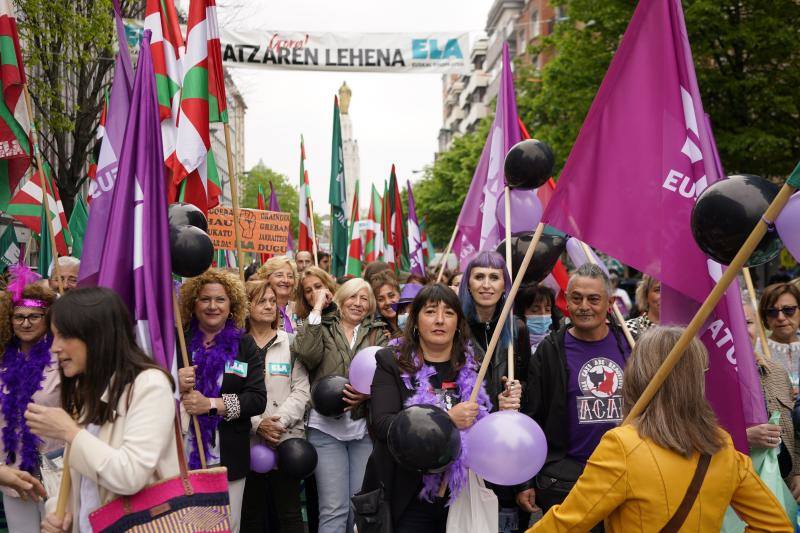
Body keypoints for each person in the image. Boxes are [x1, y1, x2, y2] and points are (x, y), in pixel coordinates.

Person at [527, 326, 793, 532]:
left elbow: (567, 524)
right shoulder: (722, 444)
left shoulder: (622, 445)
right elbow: (776, 526)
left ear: (638, 374)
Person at [23, 287, 179, 533]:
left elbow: (130, 477)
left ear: (96, 335)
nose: (54, 347)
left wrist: (71, 432)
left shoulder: (149, 385)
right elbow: (84, 484)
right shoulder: (87, 389)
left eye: (63, 336)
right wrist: (61, 513)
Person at [361, 283, 495, 531]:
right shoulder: (391, 361)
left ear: (458, 323)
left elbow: (485, 419)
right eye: (431, 311)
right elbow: (382, 424)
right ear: (415, 320)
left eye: (449, 313)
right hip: (406, 493)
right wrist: (445, 420)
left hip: (459, 493)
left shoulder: (474, 363)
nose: (440, 320)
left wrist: (505, 409)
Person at [517, 263, 631, 529]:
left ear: (610, 302)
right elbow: (532, 418)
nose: (584, 306)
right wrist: (525, 482)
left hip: (626, 476)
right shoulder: (549, 351)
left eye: (593, 299)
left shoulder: (630, 344)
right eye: (576, 298)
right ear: (566, 300)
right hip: (569, 482)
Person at [291, 277, 388, 533]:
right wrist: (317, 310)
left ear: (370, 305)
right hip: (325, 430)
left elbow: (388, 377)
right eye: (352, 297)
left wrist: (368, 395)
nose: (357, 303)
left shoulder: (379, 333)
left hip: (362, 430)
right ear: (341, 298)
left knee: (360, 508)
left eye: (364, 298)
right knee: (334, 509)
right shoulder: (322, 325)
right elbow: (306, 353)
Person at [177, 269, 267, 533]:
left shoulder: (244, 345)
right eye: (205, 299)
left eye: (220, 300)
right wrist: (173, 382)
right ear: (193, 304)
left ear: (232, 306)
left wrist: (213, 404)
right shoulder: (177, 341)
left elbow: (256, 399)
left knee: (227, 527)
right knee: (185, 525)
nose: (212, 306)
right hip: (181, 453)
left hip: (229, 456)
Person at [458, 251, 530, 531]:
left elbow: (528, 388)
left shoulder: (517, 330)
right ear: (468, 284)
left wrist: (517, 393)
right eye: (479, 277)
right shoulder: (456, 328)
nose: (486, 284)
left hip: (504, 443)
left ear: (505, 286)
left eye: (494, 277)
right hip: (466, 442)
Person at [241, 281, 310, 533]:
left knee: (289, 514)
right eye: (262, 301)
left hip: (285, 440)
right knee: (251, 515)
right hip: (246, 442)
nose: (270, 306)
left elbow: (302, 390)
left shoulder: (291, 343)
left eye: (273, 301)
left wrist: (276, 425)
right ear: (246, 306)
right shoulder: (236, 344)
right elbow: (231, 392)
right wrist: (257, 425)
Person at [0, 267, 58, 532]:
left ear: (48, 319)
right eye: (19, 317)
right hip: (14, 474)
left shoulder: (62, 358)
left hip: (57, 472)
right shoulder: (1, 362)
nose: (25, 323)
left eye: (35, 316)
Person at [743, 298, 800, 500]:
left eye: (748, 323)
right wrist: (743, 437)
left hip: (785, 487)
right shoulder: (708, 377)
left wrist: (798, 472)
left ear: (758, 327)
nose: (741, 330)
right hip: (740, 492)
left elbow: (795, 429)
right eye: (733, 323)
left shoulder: (777, 371)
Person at [759, 283, 800, 395]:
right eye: (772, 312)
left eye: (789, 310)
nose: (781, 318)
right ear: (765, 317)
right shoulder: (756, 350)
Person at [257, 256, 299, 334]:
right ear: (266, 278)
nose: (285, 280)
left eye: (290, 276)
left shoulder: (301, 309)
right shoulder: (258, 309)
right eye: (279, 275)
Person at [515, 284, 560, 354]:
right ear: (521, 313)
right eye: (535, 310)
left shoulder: (558, 342)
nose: (542, 314)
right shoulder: (511, 346)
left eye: (547, 309)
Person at [625, 274, 660, 339]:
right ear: (645, 295)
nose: (665, 296)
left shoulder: (684, 332)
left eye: (670, 291)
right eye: (658, 290)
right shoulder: (627, 330)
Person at [370, 270, 402, 338]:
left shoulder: (415, 322)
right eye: (381, 299)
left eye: (391, 296)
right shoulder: (376, 331)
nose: (387, 302)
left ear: (400, 295)